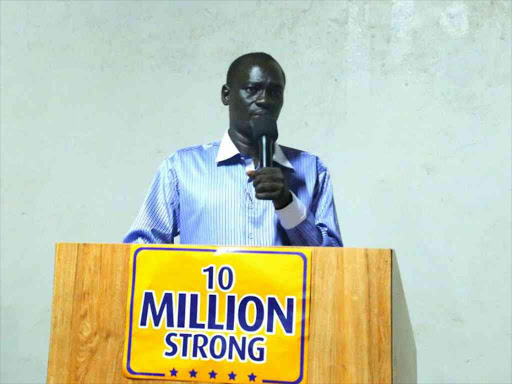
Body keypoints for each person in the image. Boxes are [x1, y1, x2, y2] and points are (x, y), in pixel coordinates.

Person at [124, 52, 342, 246]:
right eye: (252, 89)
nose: (264, 100)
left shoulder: (312, 169)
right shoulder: (181, 168)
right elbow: (140, 251)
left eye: (275, 92)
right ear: (226, 95)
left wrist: (287, 204)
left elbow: (331, 265)